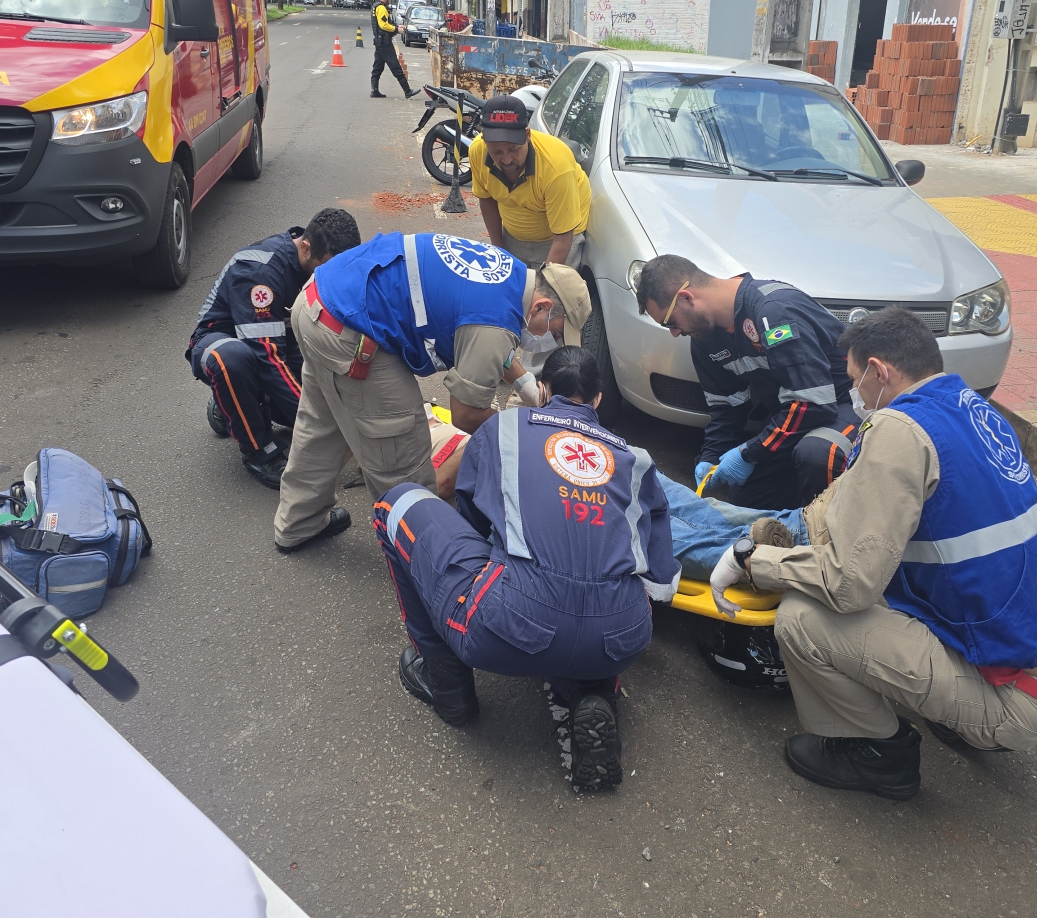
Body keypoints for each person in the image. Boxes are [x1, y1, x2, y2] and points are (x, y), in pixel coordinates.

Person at [709, 307, 1037, 800]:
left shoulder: (898, 431)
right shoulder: (968, 405)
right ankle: (960, 707)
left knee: (802, 617)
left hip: (1015, 694)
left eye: (856, 381)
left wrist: (752, 561)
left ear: (880, 371)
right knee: (876, 575)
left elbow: (849, 584)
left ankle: (880, 754)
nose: (854, 397)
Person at [372, 346, 680, 787]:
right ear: (597, 400)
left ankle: (446, 683)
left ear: (545, 390)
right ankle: (594, 689)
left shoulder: (506, 428)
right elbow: (661, 583)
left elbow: (474, 523)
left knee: (396, 503)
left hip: (515, 623)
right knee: (601, 599)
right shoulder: (638, 460)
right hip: (621, 636)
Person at [272, 232, 591, 552]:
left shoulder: (511, 275)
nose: (552, 340)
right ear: (542, 306)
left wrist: (526, 388)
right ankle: (427, 560)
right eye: (557, 331)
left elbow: (485, 343)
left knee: (322, 425)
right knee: (401, 452)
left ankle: (298, 524)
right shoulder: (496, 322)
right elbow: (466, 413)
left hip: (319, 300)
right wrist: (527, 437)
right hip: (351, 334)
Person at [635, 254, 861, 510]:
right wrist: (710, 456)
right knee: (747, 496)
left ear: (687, 298)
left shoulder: (773, 311)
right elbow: (726, 406)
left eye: (670, 323)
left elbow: (812, 403)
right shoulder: (704, 339)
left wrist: (750, 451)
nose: (675, 333)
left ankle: (827, 537)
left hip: (849, 403)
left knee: (820, 455)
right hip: (798, 414)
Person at [187, 209, 361, 488]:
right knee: (232, 361)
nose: (332, 277)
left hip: (277, 340)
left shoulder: (324, 259)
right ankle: (259, 452)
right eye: (325, 268)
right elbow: (267, 358)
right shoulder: (261, 272)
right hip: (221, 340)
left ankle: (235, 405)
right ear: (305, 248)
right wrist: (316, 419)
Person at [469, 95, 591, 270]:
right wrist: (498, 250)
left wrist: (544, 287)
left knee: (552, 293)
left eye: (513, 149)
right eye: (497, 152)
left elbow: (563, 237)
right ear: (485, 141)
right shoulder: (477, 151)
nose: (507, 159)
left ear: (527, 135)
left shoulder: (556, 166)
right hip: (513, 234)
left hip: (557, 238)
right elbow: (486, 198)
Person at [370, 0, 419, 100]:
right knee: (396, 67)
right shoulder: (381, 8)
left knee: (377, 67)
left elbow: (384, 25)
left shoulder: (376, 6)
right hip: (384, 43)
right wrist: (397, 29)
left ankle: (374, 90)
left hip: (379, 42)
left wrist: (397, 26)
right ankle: (407, 91)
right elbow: (383, 25)